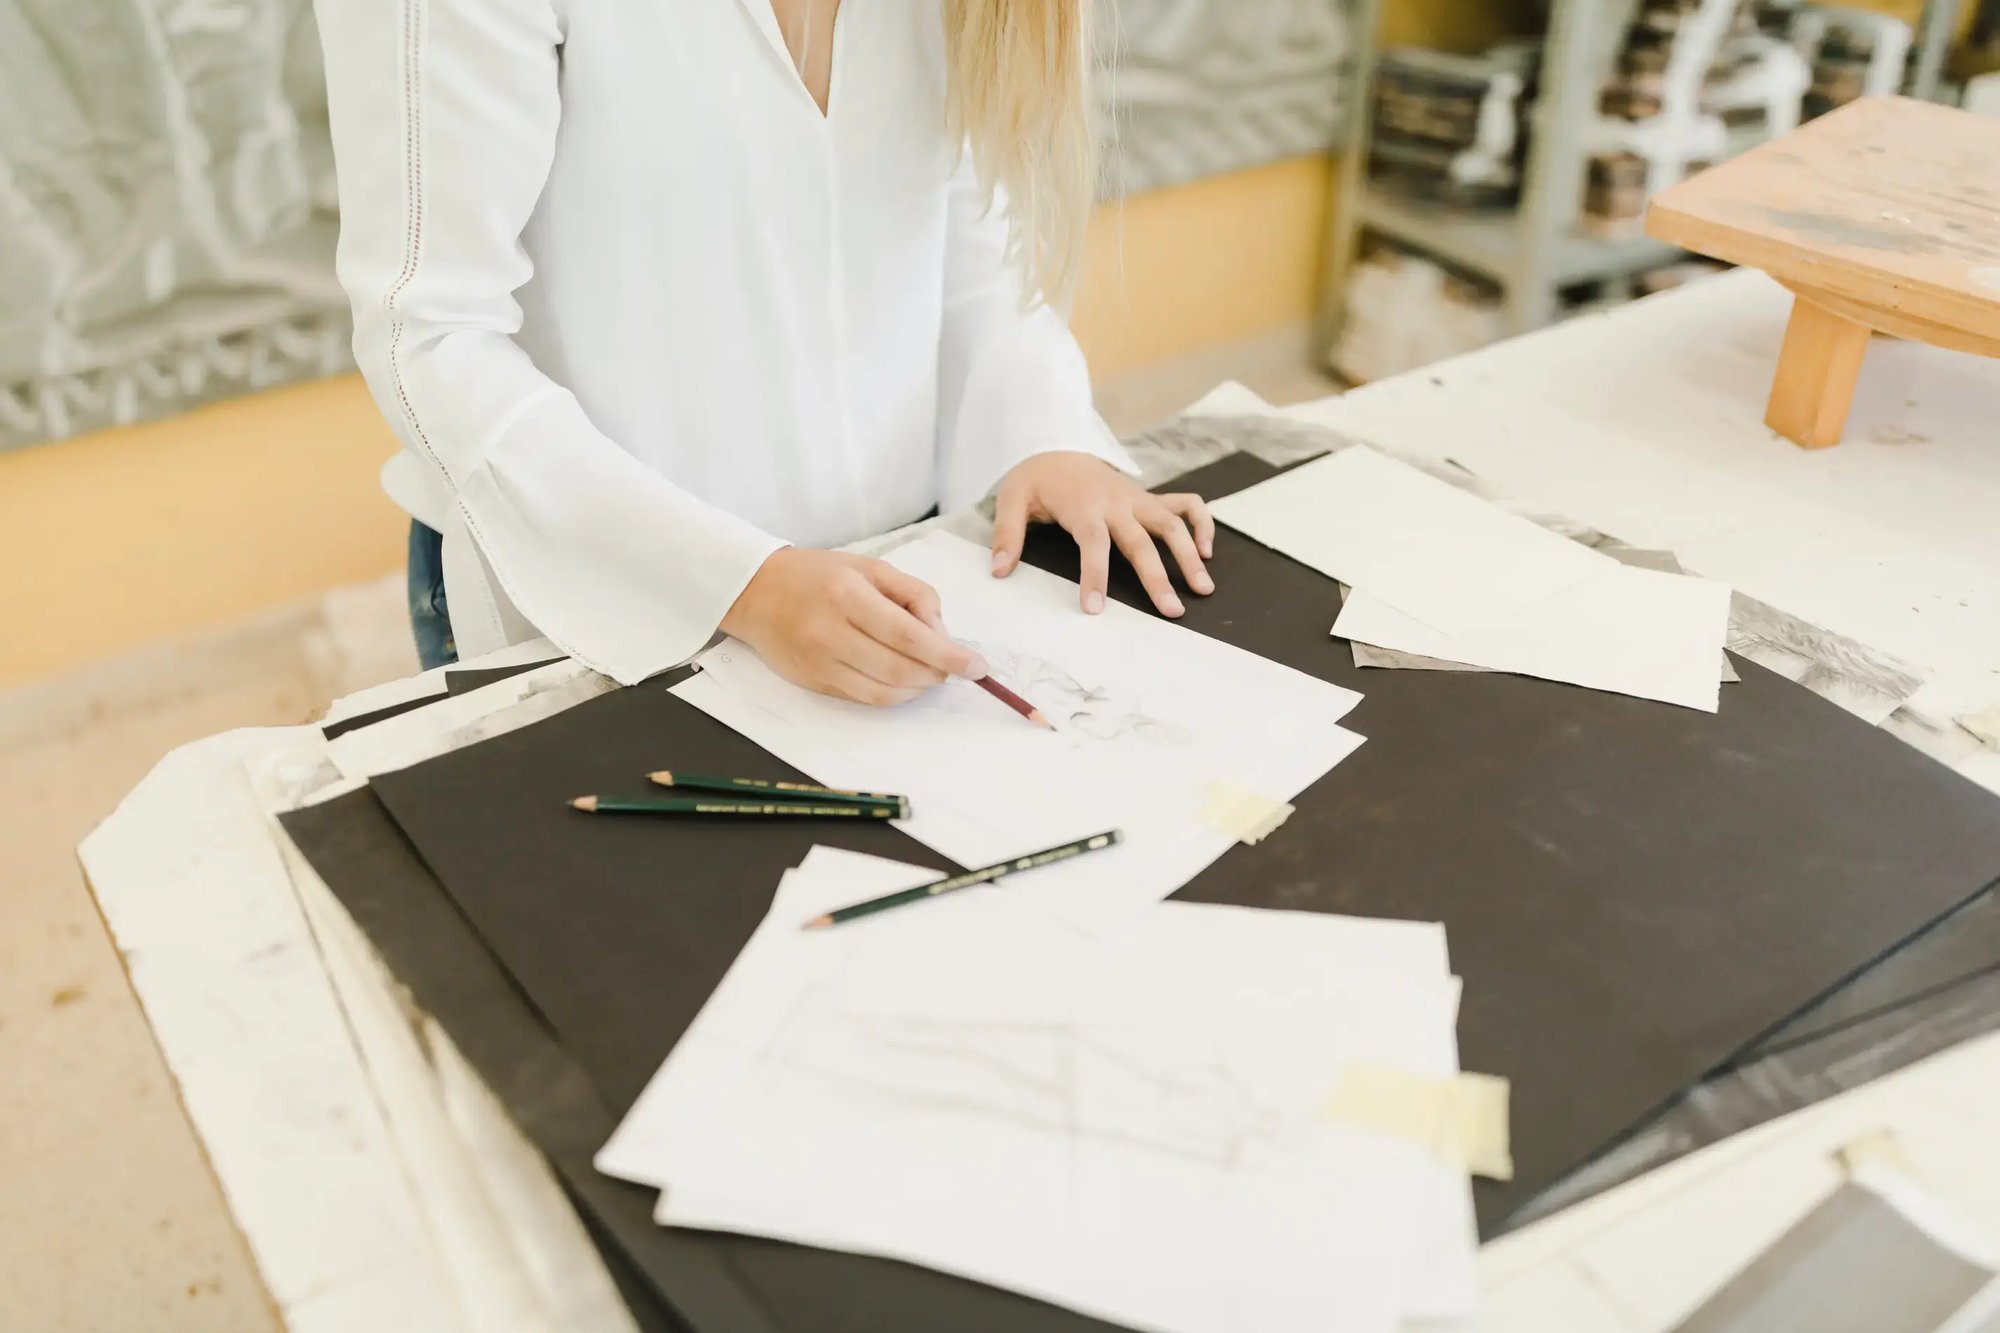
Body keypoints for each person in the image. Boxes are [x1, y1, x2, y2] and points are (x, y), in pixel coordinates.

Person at [316, 0, 1216, 703]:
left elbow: (961, 225)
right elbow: (427, 335)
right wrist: (741, 585)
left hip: (894, 574)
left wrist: (1044, 430)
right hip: (591, 592)